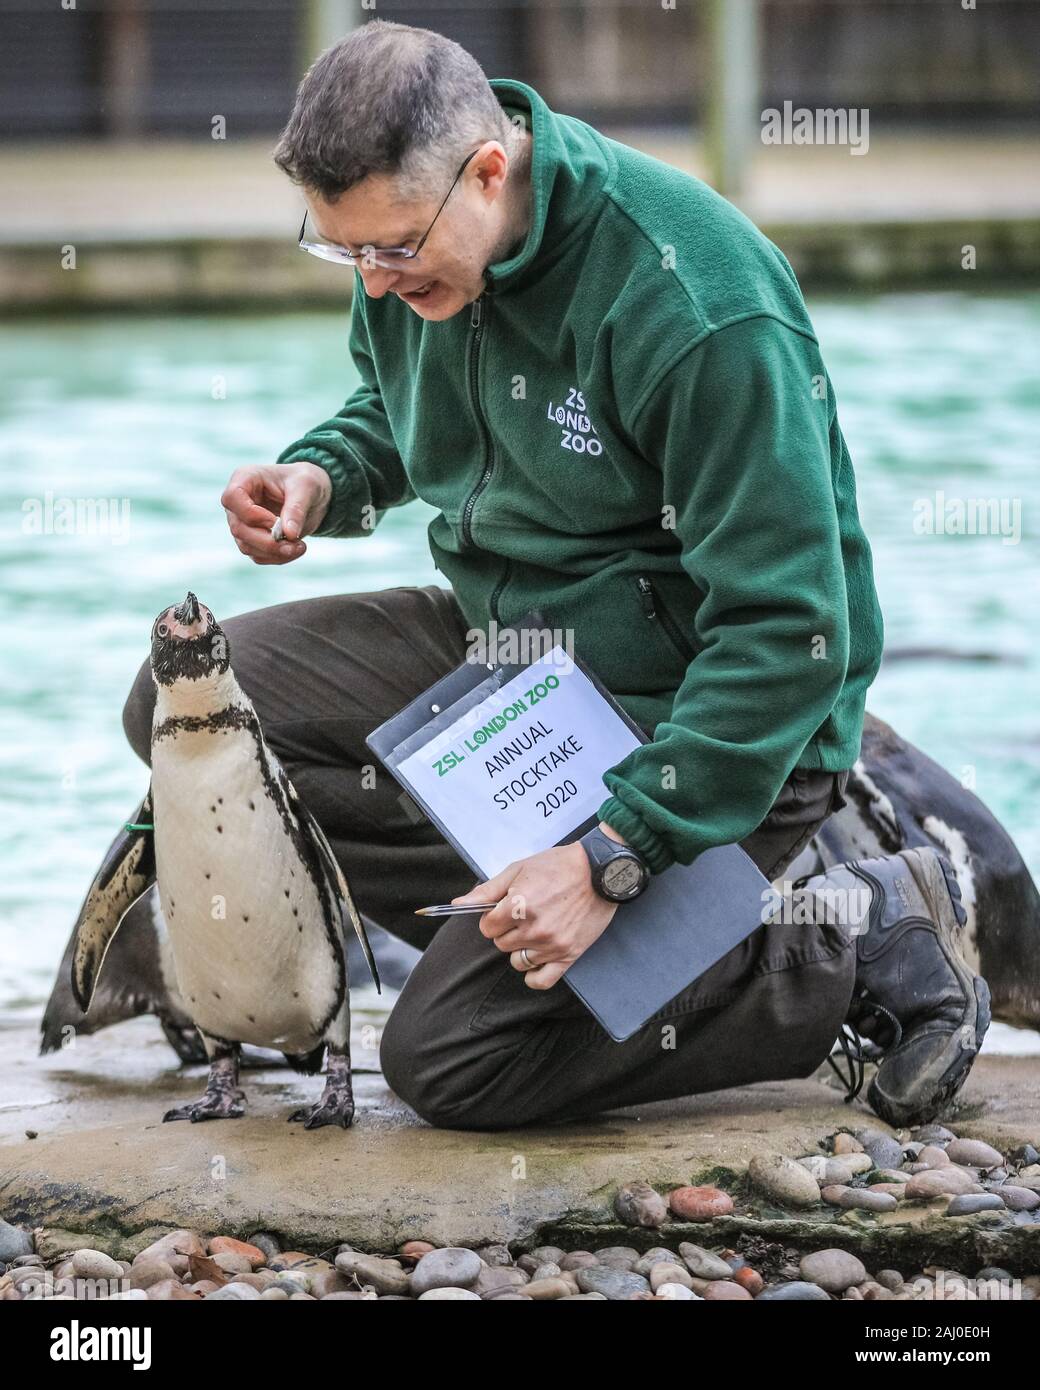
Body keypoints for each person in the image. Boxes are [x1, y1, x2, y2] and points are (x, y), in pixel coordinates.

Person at [124, 20, 989, 1130]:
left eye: (390, 249)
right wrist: (324, 477)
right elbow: (397, 410)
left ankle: (837, 940)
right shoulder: (418, 248)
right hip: (517, 659)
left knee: (446, 1064)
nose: (374, 284)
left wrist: (611, 855)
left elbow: (786, 638)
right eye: (344, 253)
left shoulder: (696, 304)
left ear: (491, 169)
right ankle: (575, 953)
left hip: (706, 722)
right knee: (189, 704)